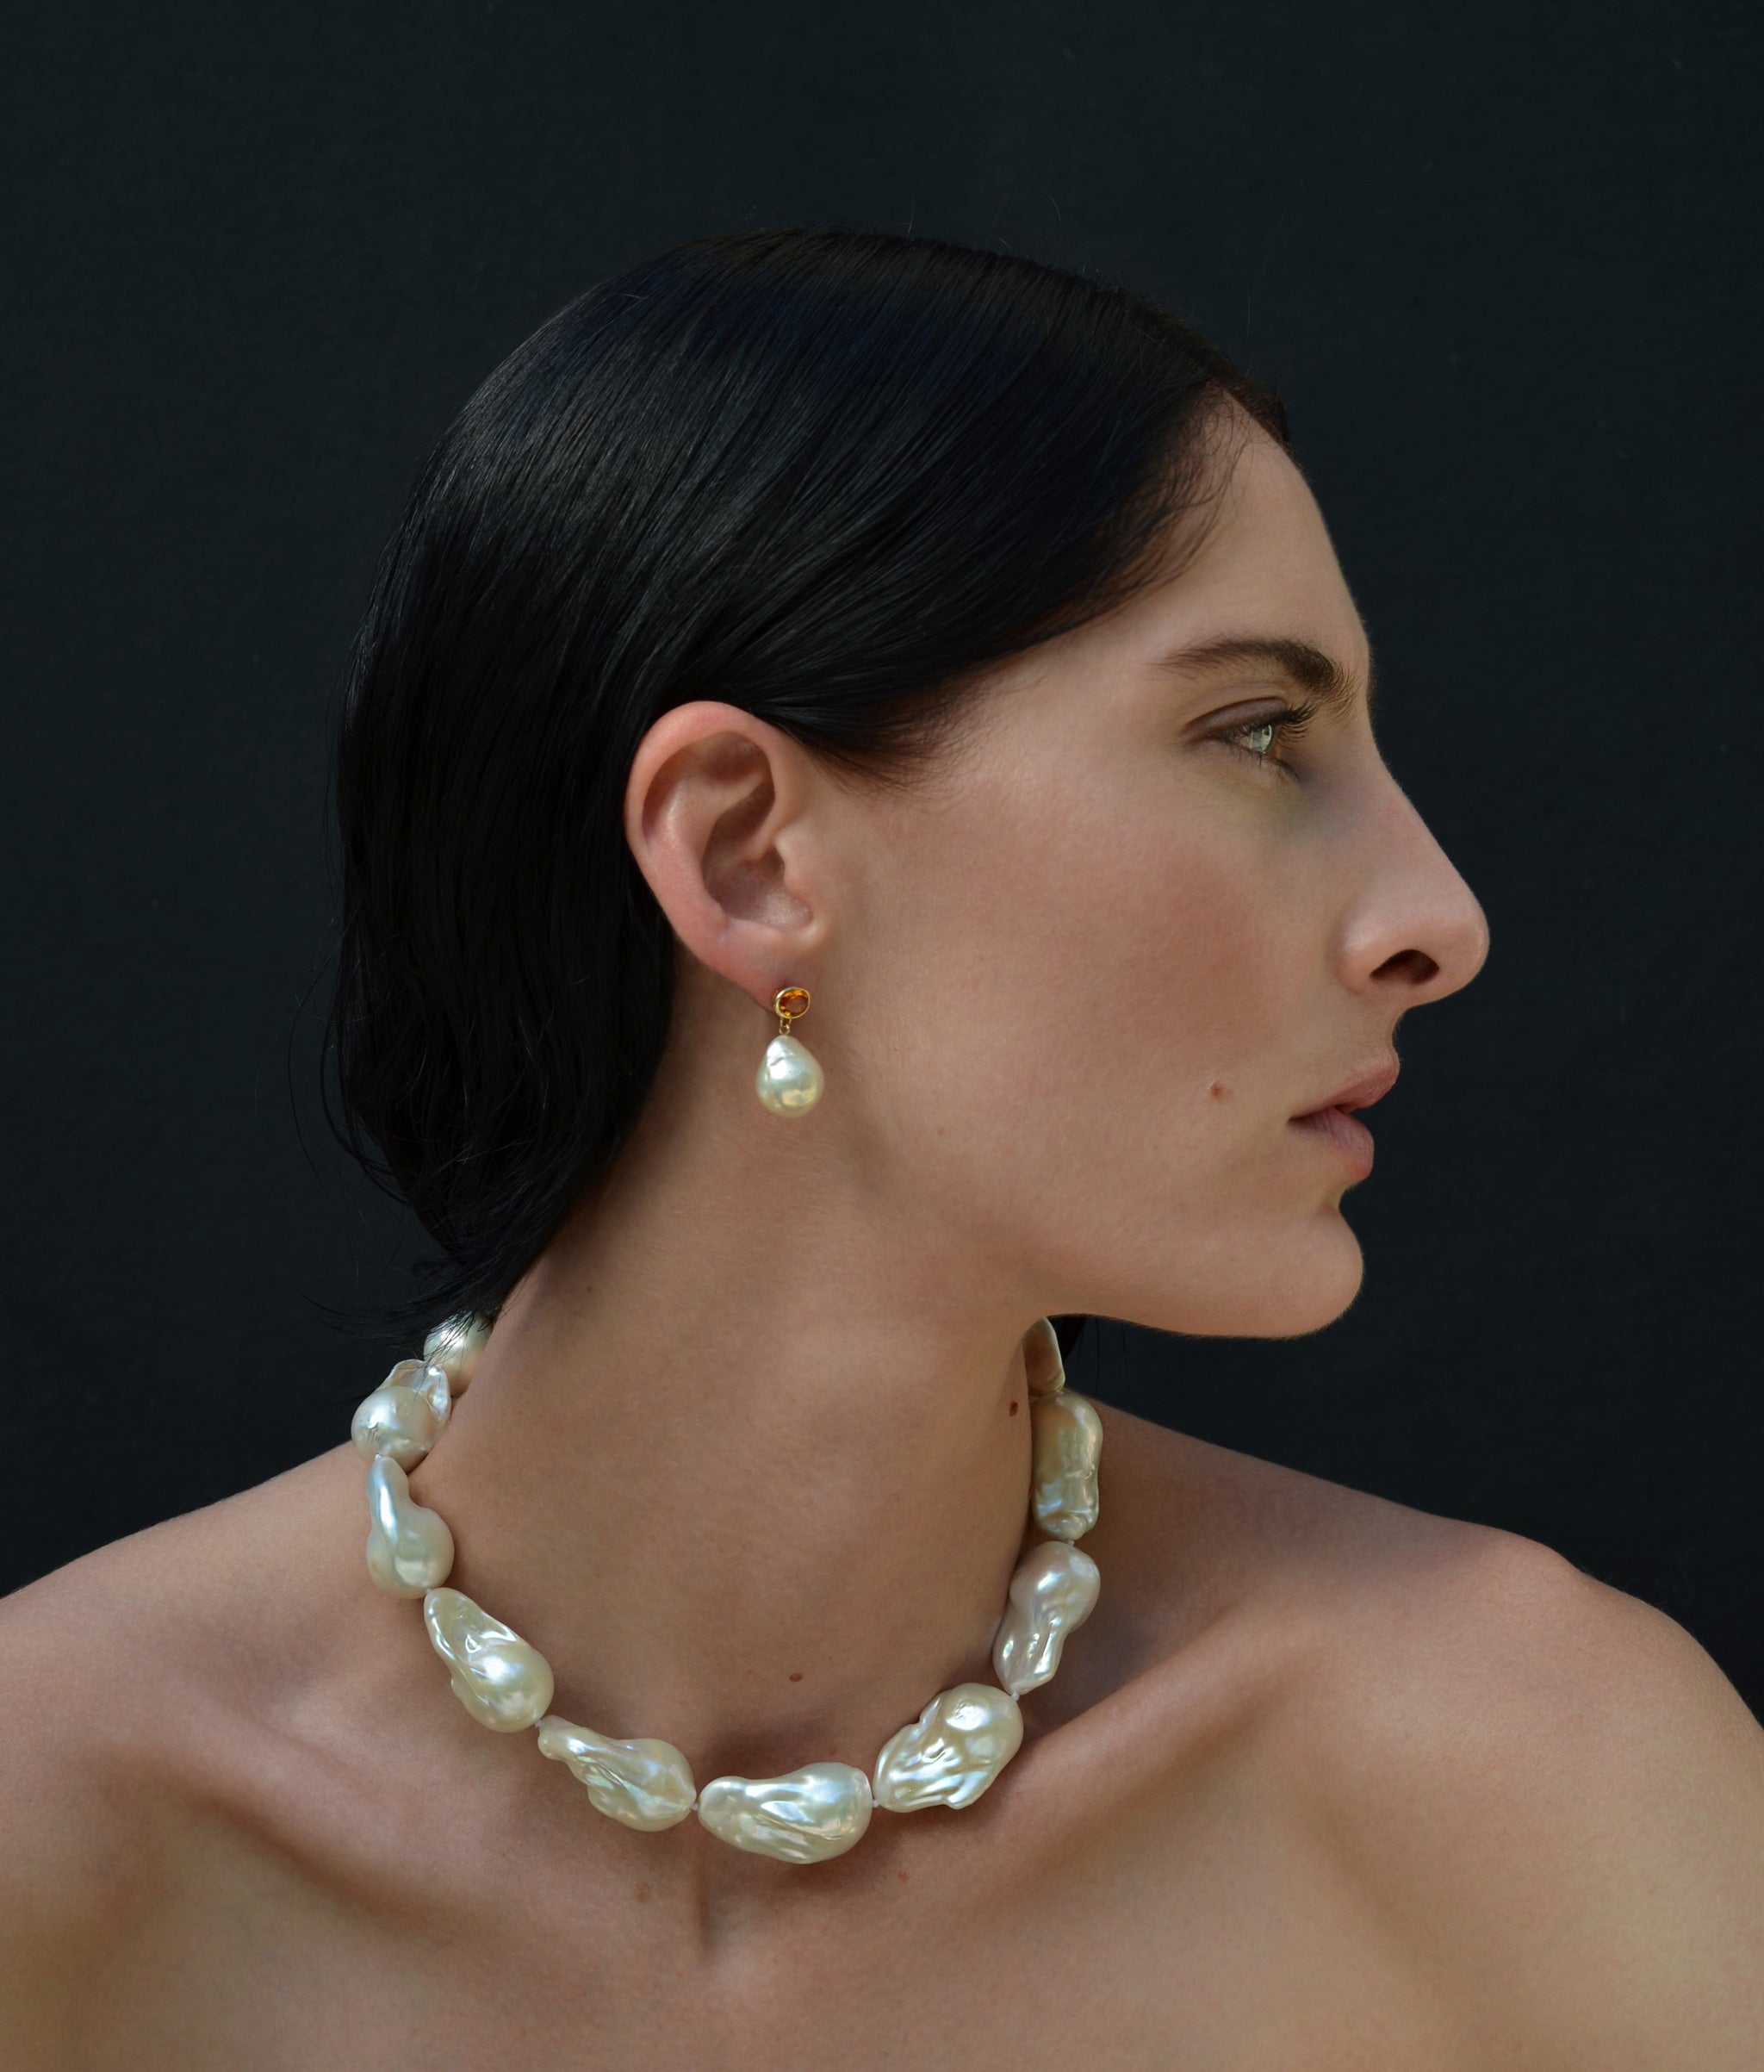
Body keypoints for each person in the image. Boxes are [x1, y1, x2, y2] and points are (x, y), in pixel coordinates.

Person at [3, 225, 1760, 2069]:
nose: (1437, 914)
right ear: (750, 852)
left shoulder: (1530, 1785)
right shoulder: (64, 1841)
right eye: (1256, 733)